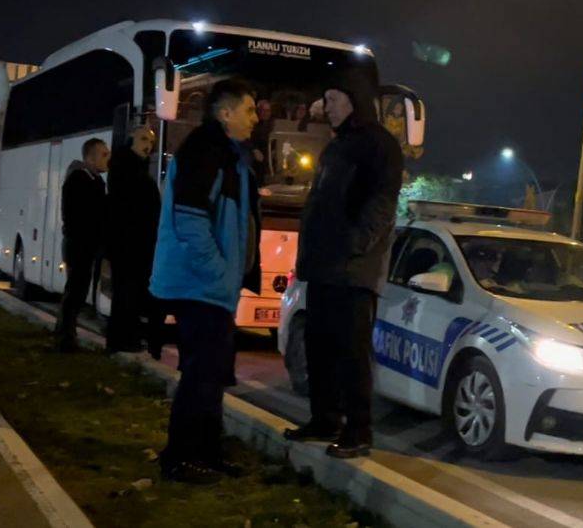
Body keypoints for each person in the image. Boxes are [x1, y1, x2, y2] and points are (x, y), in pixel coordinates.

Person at [285, 70, 404, 459]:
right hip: (322, 268)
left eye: (333, 99)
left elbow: (381, 205)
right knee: (319, 346)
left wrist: (353, 245)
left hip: (353, 271)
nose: (327, 107)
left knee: (351, 352)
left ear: (354, 100)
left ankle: (358, 430)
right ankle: (324, 420)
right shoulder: (338, 146)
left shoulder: (379, 145)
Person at [149, 78, 261, 483]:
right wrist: (218, 272)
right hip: (199, 285)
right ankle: (180, 458)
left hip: (212, 287)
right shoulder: (205, 151)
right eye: (249, 110)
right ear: (225, 112)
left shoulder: (229, 155)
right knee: (200, 375)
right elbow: (191, 221)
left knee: (212, 375)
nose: (255, 117)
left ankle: (207, 454)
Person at [105, 126, 160, 354]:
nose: (148, 145)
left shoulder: (133, 168)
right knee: (127, 292)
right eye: (143, 139)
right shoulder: (127, 169)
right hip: (130, 244)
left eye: (151, 142)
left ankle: (124, 338)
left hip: (133, 243)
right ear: (131, 140)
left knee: (129, 293)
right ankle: (123, 340)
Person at [54, 138, 109, 352]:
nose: (108, 159)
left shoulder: (95, 180)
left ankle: (66, 333)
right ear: (90, 157)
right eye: (104, 154)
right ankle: (65, 339)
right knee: (75, 291)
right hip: (79, 245)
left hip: (87, 244)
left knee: (77, 291)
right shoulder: (79, 180)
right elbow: (81, 216)